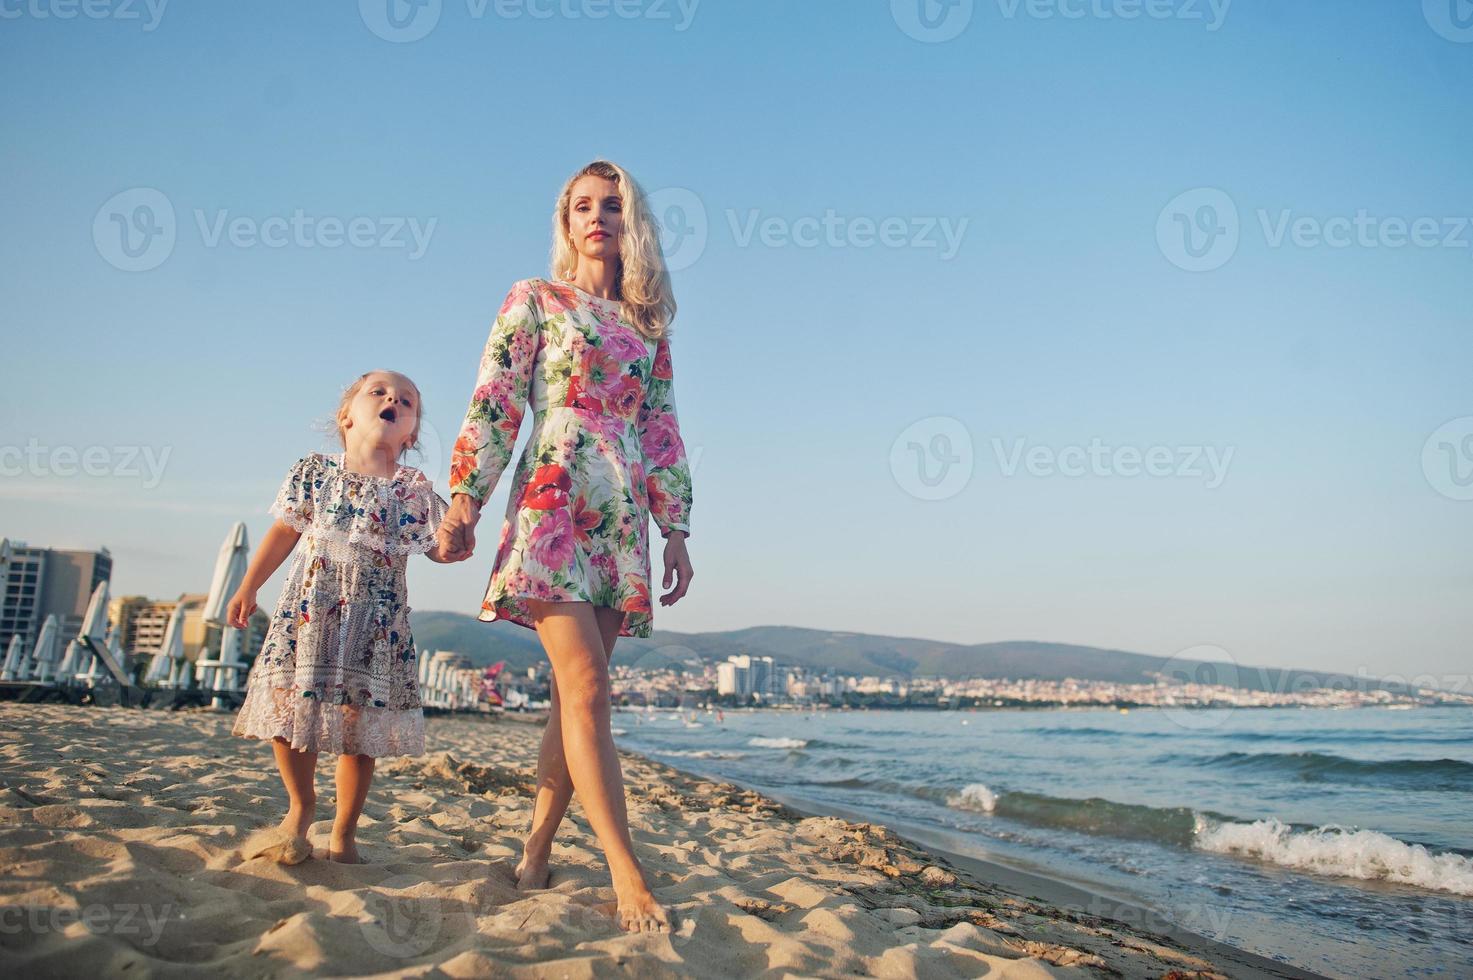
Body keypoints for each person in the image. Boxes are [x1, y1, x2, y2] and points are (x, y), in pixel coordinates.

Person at [437, 160, 694, 933]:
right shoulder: (534, 300)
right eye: (580, 206)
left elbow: (660, 428)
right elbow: (495, 400)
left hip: (617, 517)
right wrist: (465, 500)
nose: (595, 218)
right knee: (586, 689)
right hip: (552, 496)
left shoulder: (650, 326)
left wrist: (675, 525)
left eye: (610, 205)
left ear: (632, 223)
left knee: (569, 700)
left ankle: (538, 842)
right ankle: (626, 872)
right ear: (565, 222)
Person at [229, 369, 452, 864]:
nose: (393, 399)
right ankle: (301, 808)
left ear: (411, 432)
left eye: (407, 400)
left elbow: (441, 549)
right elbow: (285, 531)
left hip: (375, 620)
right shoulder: (314, 471)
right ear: (346, 416)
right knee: (290, 709)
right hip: (310, 609)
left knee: (358, 727)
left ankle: (344, 831)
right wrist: (249, 584)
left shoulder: (413, 488)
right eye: (379, 392)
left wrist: (460, 537)